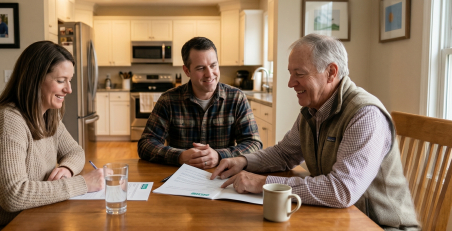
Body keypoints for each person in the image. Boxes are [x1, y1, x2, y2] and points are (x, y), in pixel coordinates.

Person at [210, 34, 419, 230]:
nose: (291, 83)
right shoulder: (313, 110)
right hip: (341, 218)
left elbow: (341, 191)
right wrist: (243, 161)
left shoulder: (365, 115)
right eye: (290, 73)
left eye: (299, 74)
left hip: (379, 225)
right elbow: (284, 153)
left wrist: (265, 183)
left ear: (331, 72)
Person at [0, 41, 105, 230]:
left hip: (29, 219)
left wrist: (67, 169)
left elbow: (75, 151)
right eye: (60, 80)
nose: (69, 89)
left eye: (69, 80)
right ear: (36, 79)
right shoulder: (7, 122)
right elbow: (13, 195)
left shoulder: (48, 115)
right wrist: (83, 184)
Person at [137, 37, 262, 169]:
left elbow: (254, 143)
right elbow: (145, 144)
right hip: (179, 177)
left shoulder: (236, 98)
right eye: (201, 68)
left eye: (213, 65)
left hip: (222, 176)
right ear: (187, 71)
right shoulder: (168, 100)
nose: (209, 74)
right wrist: (180, 156)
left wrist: (219, 156)